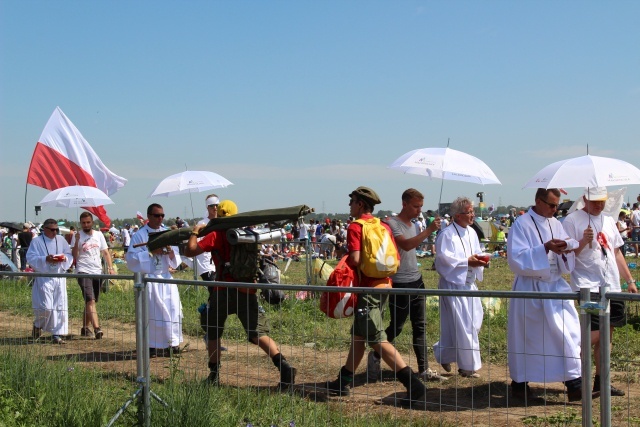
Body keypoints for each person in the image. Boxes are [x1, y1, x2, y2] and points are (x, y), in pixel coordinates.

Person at [324, 186, 425, 405]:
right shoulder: (383, 225)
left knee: (377, 339)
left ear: (360, 204)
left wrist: (344, 253)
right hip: (385, 286)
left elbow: (357, 260)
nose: (349, 206)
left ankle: (413, 385)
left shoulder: (356, 227)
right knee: (359, 336)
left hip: (368, 290)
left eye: (351, 202)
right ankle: (342, 381)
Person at [184, 200, 297, 389]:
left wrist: (195, 232)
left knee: (213, 331)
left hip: (222, 290)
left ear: (218, 214)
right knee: (257, 333)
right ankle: (284, 366)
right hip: (246, 287)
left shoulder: (217, 233)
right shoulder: (246, 233)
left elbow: (190, 251)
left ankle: (214, 375)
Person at [507, 188, 583, 402]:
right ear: (538, 202)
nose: (555, 209)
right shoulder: (521, 224)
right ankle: (520, 385)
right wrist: (544, 248)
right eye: (551, 205)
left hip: (554, 286)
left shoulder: (555, 223)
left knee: (567, 332)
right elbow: (516, 258)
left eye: (557, 205)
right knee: (527, 338)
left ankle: (574, 383)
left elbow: (568, 244)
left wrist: (565, 247)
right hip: (530, 288)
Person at [562, 187, 638, 397]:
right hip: (588, 285)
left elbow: (616, 252)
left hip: (611, 284)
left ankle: (601, 381)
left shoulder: (607, 220)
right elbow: (567, 255)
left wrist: (629, 280)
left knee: (607, 334)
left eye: (602, 201)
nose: (599, 205)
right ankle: (575, 377)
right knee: (593, 334)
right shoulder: (572, 220)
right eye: (595, 201)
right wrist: (583, 242)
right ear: (585, 198)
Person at [367, 188, 446, 383]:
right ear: (404, 204)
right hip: (400, 282)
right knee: (398, 326)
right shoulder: (392, 224)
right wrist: (428, 230)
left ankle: (424, 369)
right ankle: (376, 354)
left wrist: (427, 232)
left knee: (420, 325)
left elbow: (414, 245)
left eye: (421, 206)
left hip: (417, 280)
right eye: (415, 206)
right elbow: (407, 245)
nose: (419, 210)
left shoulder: (413, 224)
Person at [433, 196, 487, 378]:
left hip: (469, 284)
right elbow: (443, 260)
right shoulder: (446, 235)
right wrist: (466, 261)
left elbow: (477, 252)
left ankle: (444, 353)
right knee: (464, 326)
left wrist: (481, 260)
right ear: (457, 215)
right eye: (469, 212)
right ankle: (467, 367)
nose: (472, 215)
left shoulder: (471, 232)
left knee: (474, 321)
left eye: (472, 211)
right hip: (453, 284)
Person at [126, 203, 183, 357]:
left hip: (166, 277)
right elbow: (131, 259)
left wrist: (170, 251)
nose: (160, 218)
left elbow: (176, 258)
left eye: (162, 215)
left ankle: (173, 343)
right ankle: (151, 345)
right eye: (157, 215)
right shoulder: (140, 235)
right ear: (149, 216)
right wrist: (151, 252)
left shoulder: (167, 233)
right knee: (152, 313)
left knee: (173, 310)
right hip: (150, 279)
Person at [27, 218, 73, 344]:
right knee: (46, 307)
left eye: (56, 230)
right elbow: (30, 258)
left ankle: (57, 333)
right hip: (44, 277)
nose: (55, 232)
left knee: (60, 305)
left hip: (59, 276)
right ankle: (38, 325)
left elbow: (69, 255)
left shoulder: (61, 240)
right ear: (45, 229)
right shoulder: (36, 242)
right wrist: (45, 259)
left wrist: (63, 258)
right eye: (52, 230)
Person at [71, 212, 116, 339]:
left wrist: (111, 268)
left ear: (92, 223)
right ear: (80, 223)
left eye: (88, 222)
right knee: (90, 300)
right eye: (83, 223)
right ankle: (97, 329)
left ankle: (85, 328)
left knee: (91, 301)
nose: (86, 225)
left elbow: (105, 252)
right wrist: (77, 242)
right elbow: (74, 255)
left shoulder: (99, 234)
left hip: (97, 271)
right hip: (83, 271)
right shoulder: (77, 236)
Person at [194, 194, 219, 280]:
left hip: (220, 262)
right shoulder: (201, 224)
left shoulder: (222, 222)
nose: (215, 208)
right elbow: (197, 244)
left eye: (217, 205)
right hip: (206, 264)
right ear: (207, 207)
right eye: (212, 206)